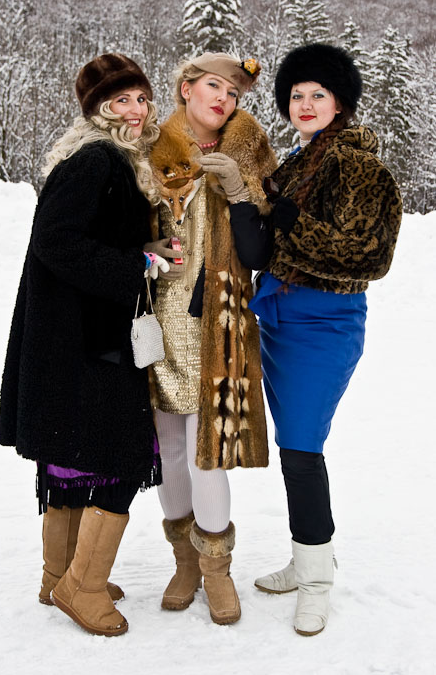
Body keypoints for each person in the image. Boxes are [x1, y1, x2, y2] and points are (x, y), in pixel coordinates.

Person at [229, 43, 402, 636]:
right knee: (291, 446)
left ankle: (317, 583)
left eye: (317, 95)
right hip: (279, 316)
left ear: (340, 101)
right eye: (296, 95)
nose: (304, 104)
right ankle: (309, 557)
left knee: (303, 447)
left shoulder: (359, 167)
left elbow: (369, 256)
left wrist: (288, 222)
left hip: (325, 322)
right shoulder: (296, 162)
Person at [0, 53, 169, 637]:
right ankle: (83, 586)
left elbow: (89, 235)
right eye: (122, 100)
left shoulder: (108, 159)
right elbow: (56, 240)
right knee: (122, 456)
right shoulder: (97, 159)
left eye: (141, 98)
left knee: (71, 452)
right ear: (98, 109)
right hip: (86, 338)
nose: (137, 110)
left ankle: (58, 574)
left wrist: (142, 248)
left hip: (75, 335)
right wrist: (133, 266)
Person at [145, 52, 277, 625]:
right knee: (170, 448)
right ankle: (185, 563)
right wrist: (144, 249)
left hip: (219, 319)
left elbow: (261, 252)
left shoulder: (250, 152)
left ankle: (217, 569)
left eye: (234, 93)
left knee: (209, 452)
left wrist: (240, 192)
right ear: (186, 88)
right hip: (159, 318)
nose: (224, 99)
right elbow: (120, 229)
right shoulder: (149, 151)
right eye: (214, 86)